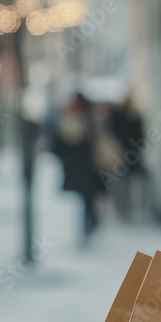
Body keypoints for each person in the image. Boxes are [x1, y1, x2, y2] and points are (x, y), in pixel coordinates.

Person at [50, 93, 105, 246]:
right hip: (82, 169)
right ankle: (87, 227)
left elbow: (55, 147)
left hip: (83, 169)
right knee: (86, 200)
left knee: (87, 200)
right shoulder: (87, 122)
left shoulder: (68, 123)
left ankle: (88, 226)